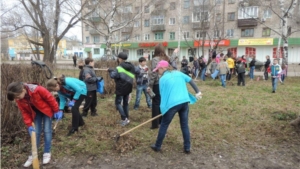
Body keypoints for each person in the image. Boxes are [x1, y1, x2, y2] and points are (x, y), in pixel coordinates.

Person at [149, 60, 202, 154]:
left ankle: (157, 146)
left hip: (172, 105)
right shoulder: (179, 73)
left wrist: (163, 109)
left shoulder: (162, 79)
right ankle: (187, 147)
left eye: (158, 70)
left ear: (163, 68)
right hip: (184, 102)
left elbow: (163, 95)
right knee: (184, 125)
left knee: (164, 125)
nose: (158, 72)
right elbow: (191, 80)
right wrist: (198, 92)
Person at [7, 82, 61, 167]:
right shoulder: (19, 99)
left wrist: (56, 110)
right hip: (36, 113)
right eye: (15, 98)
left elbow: (50, 98)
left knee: (47, 130)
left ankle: (47, 152)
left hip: (46, 110)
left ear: (23, 90)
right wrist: (29, 125)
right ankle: (33, 154)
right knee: (35, 133)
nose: (17, 99)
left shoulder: (37, 89)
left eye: (17, 96)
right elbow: (24, 112)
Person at [147, 44, 176, 129]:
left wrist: (150, 85)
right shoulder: (166, 58)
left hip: (158, 83)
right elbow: (172, 59)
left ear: (156, 50)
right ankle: (161, 121)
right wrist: (174, 53)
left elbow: (153, 73)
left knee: (156, 103)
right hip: (166, 82)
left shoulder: (155, 59)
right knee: (162, 102)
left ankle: (155, 124)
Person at [108, 52, 137, 126]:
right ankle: (126, 118)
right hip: (128, 87)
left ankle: (124, 118)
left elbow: (113, 76)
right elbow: (137, 72)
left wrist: (110, 70)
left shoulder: (119, 67)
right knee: (125, 103)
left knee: (117, 103)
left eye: (118, 58)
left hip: (121, 87)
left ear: (120, 58)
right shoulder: (131, 66)